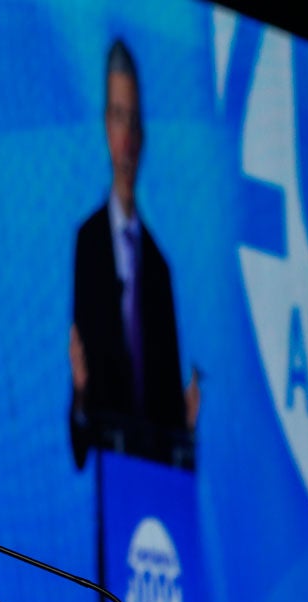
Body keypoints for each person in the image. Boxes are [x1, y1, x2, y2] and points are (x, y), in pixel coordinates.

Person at [69, 36, 201, 471]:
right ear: (106, 126)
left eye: (134, 122)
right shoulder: (87, 245)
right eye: (117, 118)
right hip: (113, 475)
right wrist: (81, 393)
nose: (126, 139)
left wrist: (184, 427)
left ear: (143, 136)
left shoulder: (160, 268)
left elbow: (170, 420)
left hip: (157, 491)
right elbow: (80, 430)